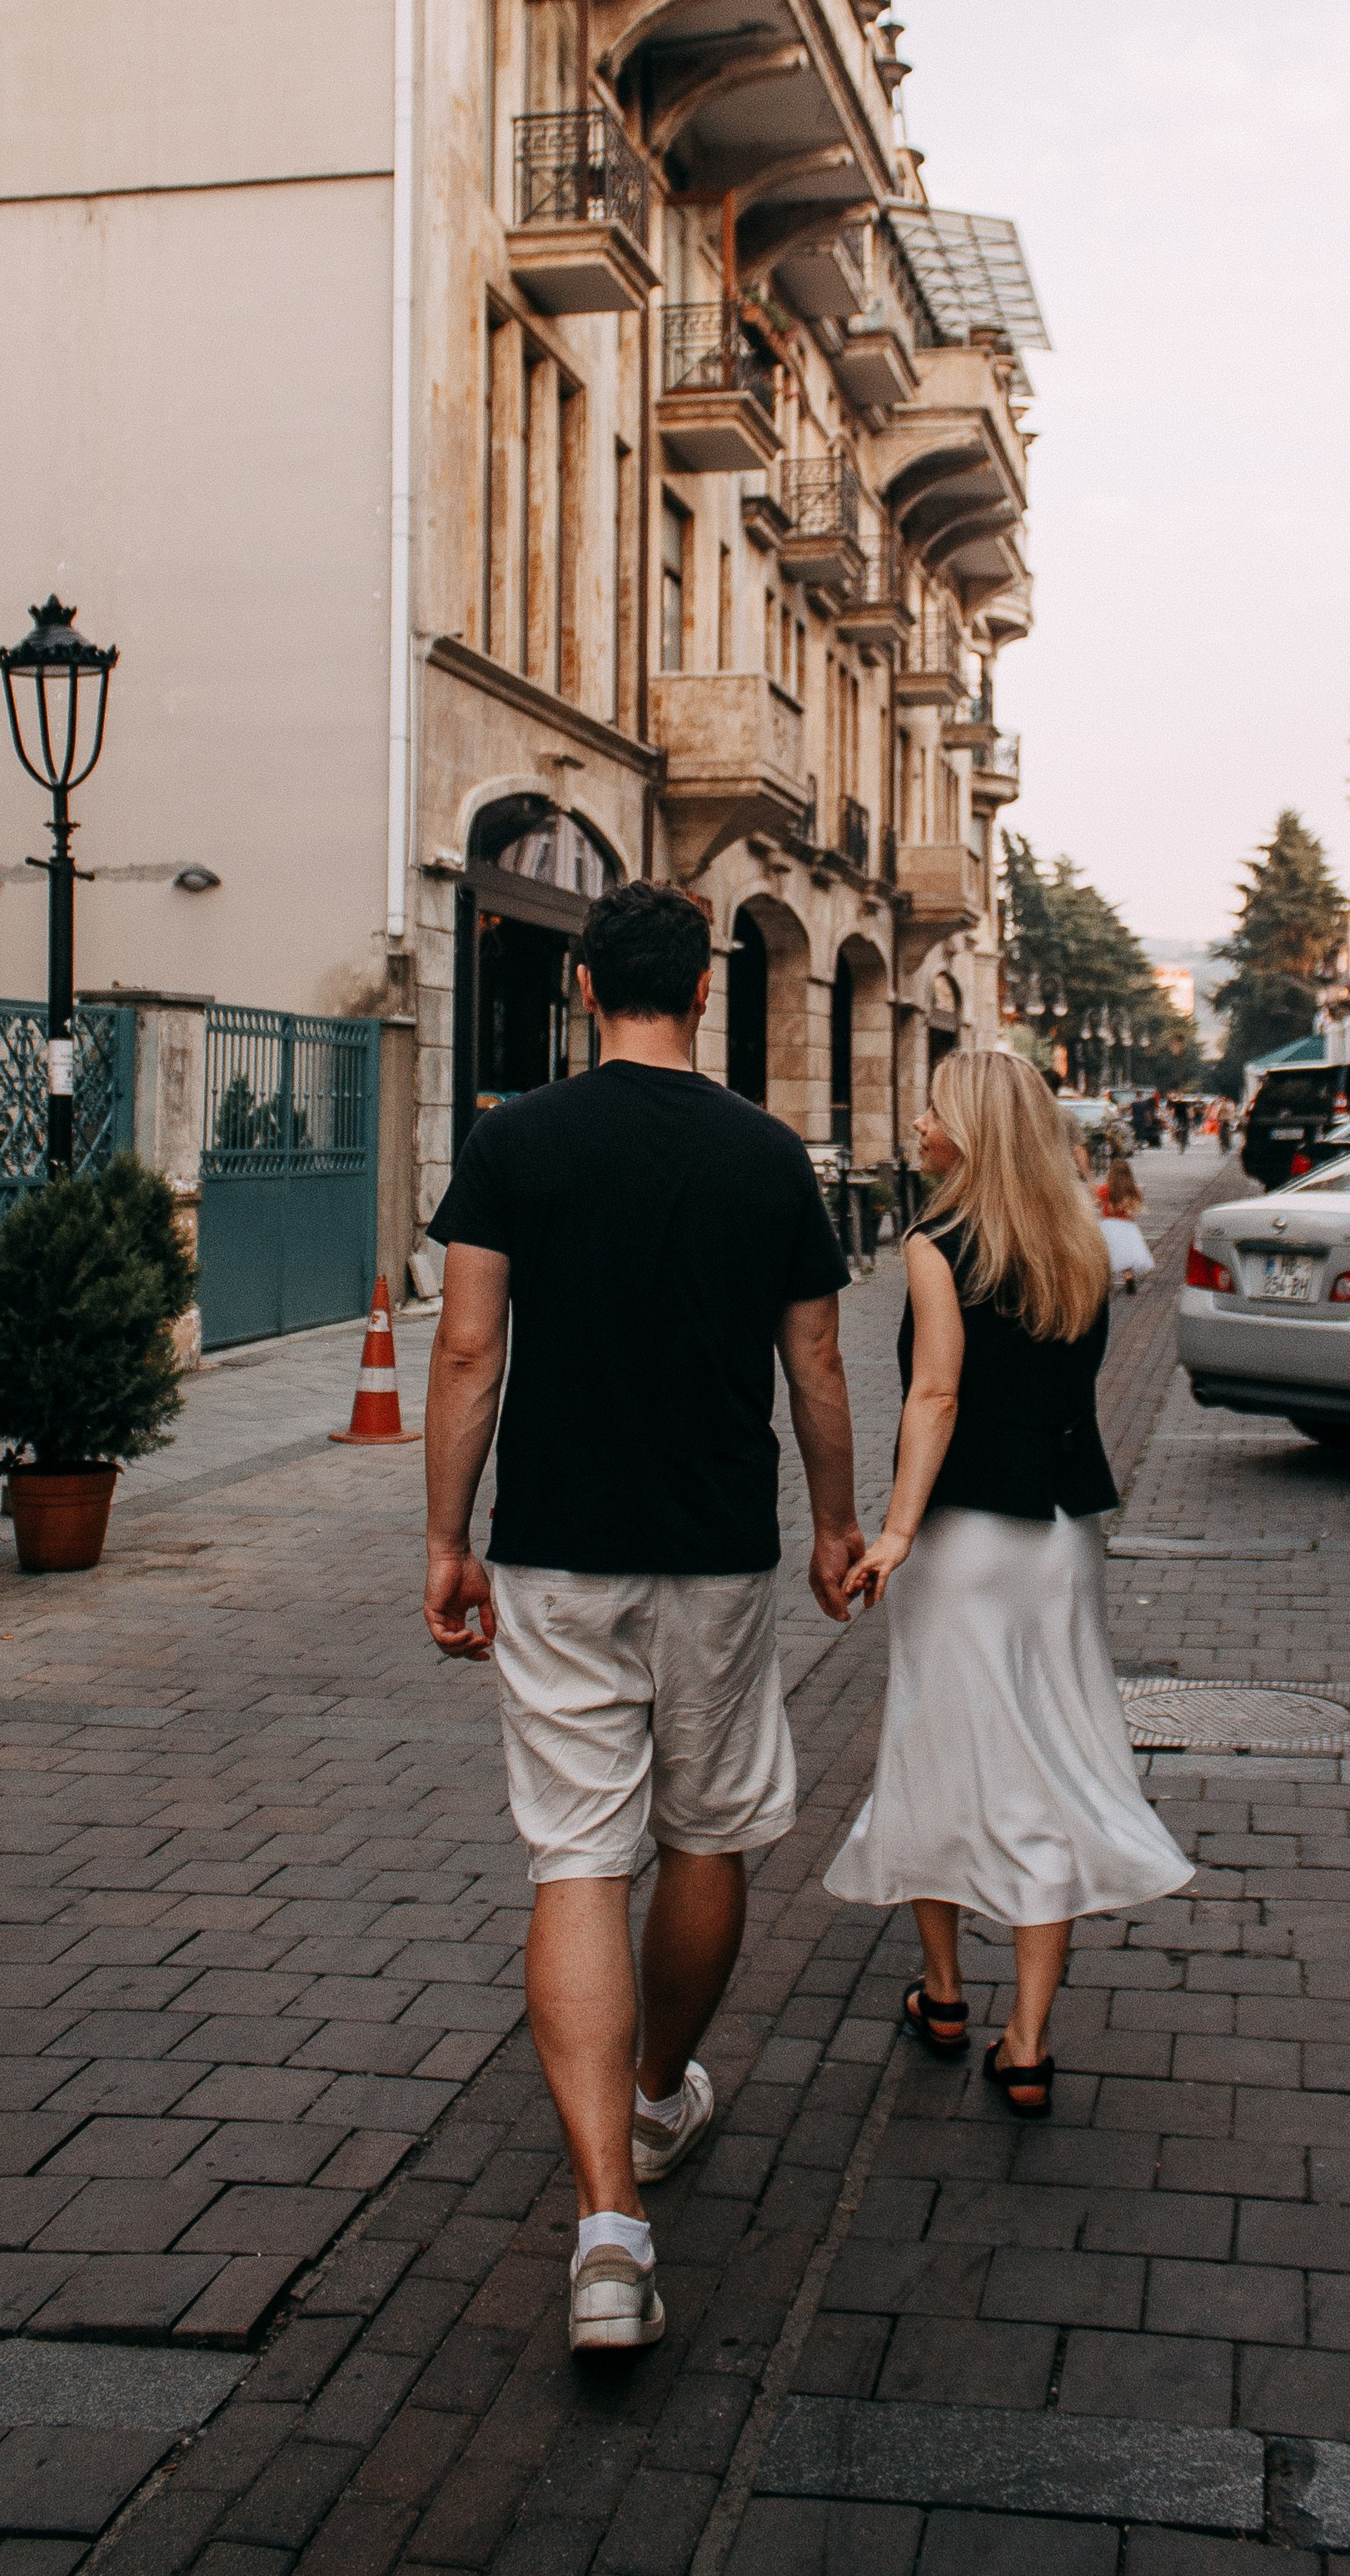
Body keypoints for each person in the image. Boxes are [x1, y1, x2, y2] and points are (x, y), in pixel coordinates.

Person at [421, 880, 863, 2355]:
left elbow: (467, 1350)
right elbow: (816, 1362)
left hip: (554, 1547)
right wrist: (837, 1524)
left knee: (576, 1852)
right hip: (717, 1547)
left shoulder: (513, 1140)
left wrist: (446, 1538)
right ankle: (661, 2093)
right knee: (705, 1829)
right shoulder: (766, 1154)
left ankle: (607, 2230)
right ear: (706, 989)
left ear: (585, 986)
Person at [824, 1051, 1193, 2117]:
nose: (918, 1122)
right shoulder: (1078, 1238)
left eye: (933, 1108)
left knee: (936, 1747)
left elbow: (934, 1394)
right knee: (1049, 1753)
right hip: (1062, 1534)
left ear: (972, 1131)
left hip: (964, 1537)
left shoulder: (935, 1240)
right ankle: (1025, 2040)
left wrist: (895, 1530)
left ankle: (943, 1994)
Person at [1096, 1152, 1155, 1295]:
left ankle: (1105, 1282)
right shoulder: (1131, 1190)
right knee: (1125, 1253)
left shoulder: (1105, 1189)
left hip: (1108, 1224)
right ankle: (1128, 1277)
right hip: (1127, 1226)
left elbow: (1098, 1204)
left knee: (1108, 1253)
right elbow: (1135, 1208)